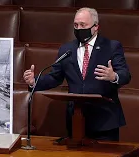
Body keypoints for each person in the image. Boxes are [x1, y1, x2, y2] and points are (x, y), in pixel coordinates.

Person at [23, 7, 131, 141]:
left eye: (83, 25)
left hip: (105, 121)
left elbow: (125, 74)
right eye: (76, 25)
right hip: (76, 119)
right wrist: (35, 81)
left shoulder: (111, 46)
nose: (79, 28)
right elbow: (55, 77)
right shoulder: (67, 49)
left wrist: (114, 76)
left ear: (96, 27)